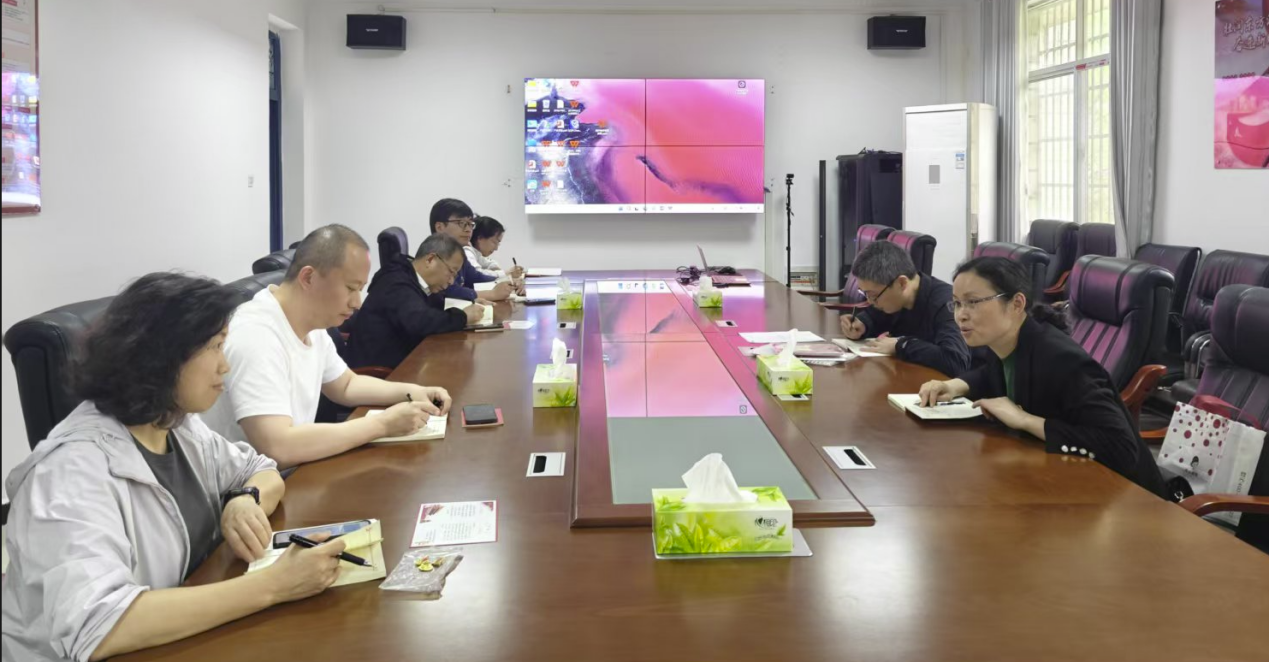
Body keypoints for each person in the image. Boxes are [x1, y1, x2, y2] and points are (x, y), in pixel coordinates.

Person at [1, 273, 350, 662]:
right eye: (215, 347)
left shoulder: (174, 424)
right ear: (161, 358)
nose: (225, 366)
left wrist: (245, 498)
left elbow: (260, 468)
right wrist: (276, 585)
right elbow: (99, 626)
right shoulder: (69, 475)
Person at [201, 224, 451, 469]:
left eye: (360, 290)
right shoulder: (256, 335)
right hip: (254, 487)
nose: (357, 303)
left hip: (295, 470)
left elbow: (346, 385)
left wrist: (413, 391)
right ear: (308, 278)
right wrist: (382, 425)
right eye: (351, 288)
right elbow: (278, 447)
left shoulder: (312, 324)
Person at [916, 257, 1166, 496]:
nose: (961, 315)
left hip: (1123, 498)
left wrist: (1026, 420)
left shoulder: (1062, 361)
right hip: (1058, 481)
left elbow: (1120, 448)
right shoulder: (1006, 341)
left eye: (973, 302)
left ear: (1016, 304)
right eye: (957, 303)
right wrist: (955, 385)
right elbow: (994, 372)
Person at [347, 234, 484, 370]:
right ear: (430, 260)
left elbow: (434, 308)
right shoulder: (395, 283)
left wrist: (466, 304)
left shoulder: (415, 279)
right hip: (379, 373)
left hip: (405, 362)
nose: (451, 281)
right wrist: (463, 316)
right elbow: (421, 322)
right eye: (451, 272)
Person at [839, 241, 971, 377]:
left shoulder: (946, 304)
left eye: (873, 295)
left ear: (902, 283)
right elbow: (877, 316)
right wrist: (862, 325)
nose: (870, 301)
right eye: (864, 293)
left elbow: (956, 361)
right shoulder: (896, 298)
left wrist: (902, 345)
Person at [429, 198, 515, 302]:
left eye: (470, 224)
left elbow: (476, 277)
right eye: (461, 223)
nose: (468, 229)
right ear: (439, 227)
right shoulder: (434, 256)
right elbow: (449, 292)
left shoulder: (458, 254)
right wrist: (492, 294)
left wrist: (507, 282)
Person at [466, 215, 526, 281]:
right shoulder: (467, 252)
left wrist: (500, 270)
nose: (496, 248)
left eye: (498, 244)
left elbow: (490, 263)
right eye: (494, 242)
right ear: (480, 238)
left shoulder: (477, 254)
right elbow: (477, 274)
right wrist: (506, 273)